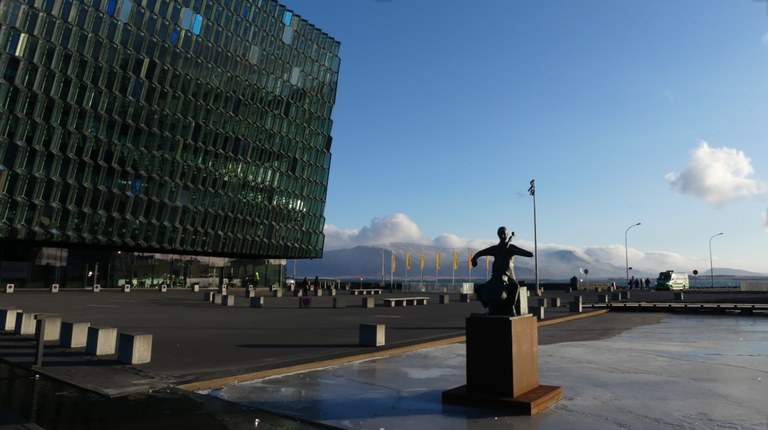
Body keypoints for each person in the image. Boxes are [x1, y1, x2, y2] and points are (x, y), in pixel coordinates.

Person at [470, 226, 534, 316]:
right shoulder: (496, 248)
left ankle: (511, 308)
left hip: (509, 276)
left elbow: (530, 254)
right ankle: (490, 307)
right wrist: (475, 258)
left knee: (515, 287)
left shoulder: (511, 247)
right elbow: (481, 252)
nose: (503, 235)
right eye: (501, 234)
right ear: (498, 235)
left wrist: (514, 251)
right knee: (478, 289)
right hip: (496, 276)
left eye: (504, 233)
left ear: (507, 234)